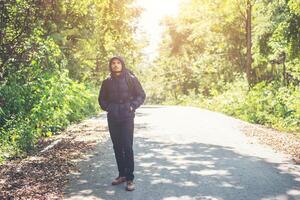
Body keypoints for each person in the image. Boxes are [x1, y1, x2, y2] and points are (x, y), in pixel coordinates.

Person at [98, 56, 146, 191]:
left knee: (127, 146)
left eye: (118, 63)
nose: (115, 65)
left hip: (127, 116)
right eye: (113, 63)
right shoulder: (106, 82)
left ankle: (130, 179)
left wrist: (132, 106)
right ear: (110, 66)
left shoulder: (131, 78)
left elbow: (141, 95)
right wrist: (109, 108)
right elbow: (101, 99)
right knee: (117, 146)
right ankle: (122, 175)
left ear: (122, 64)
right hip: (113, 117)